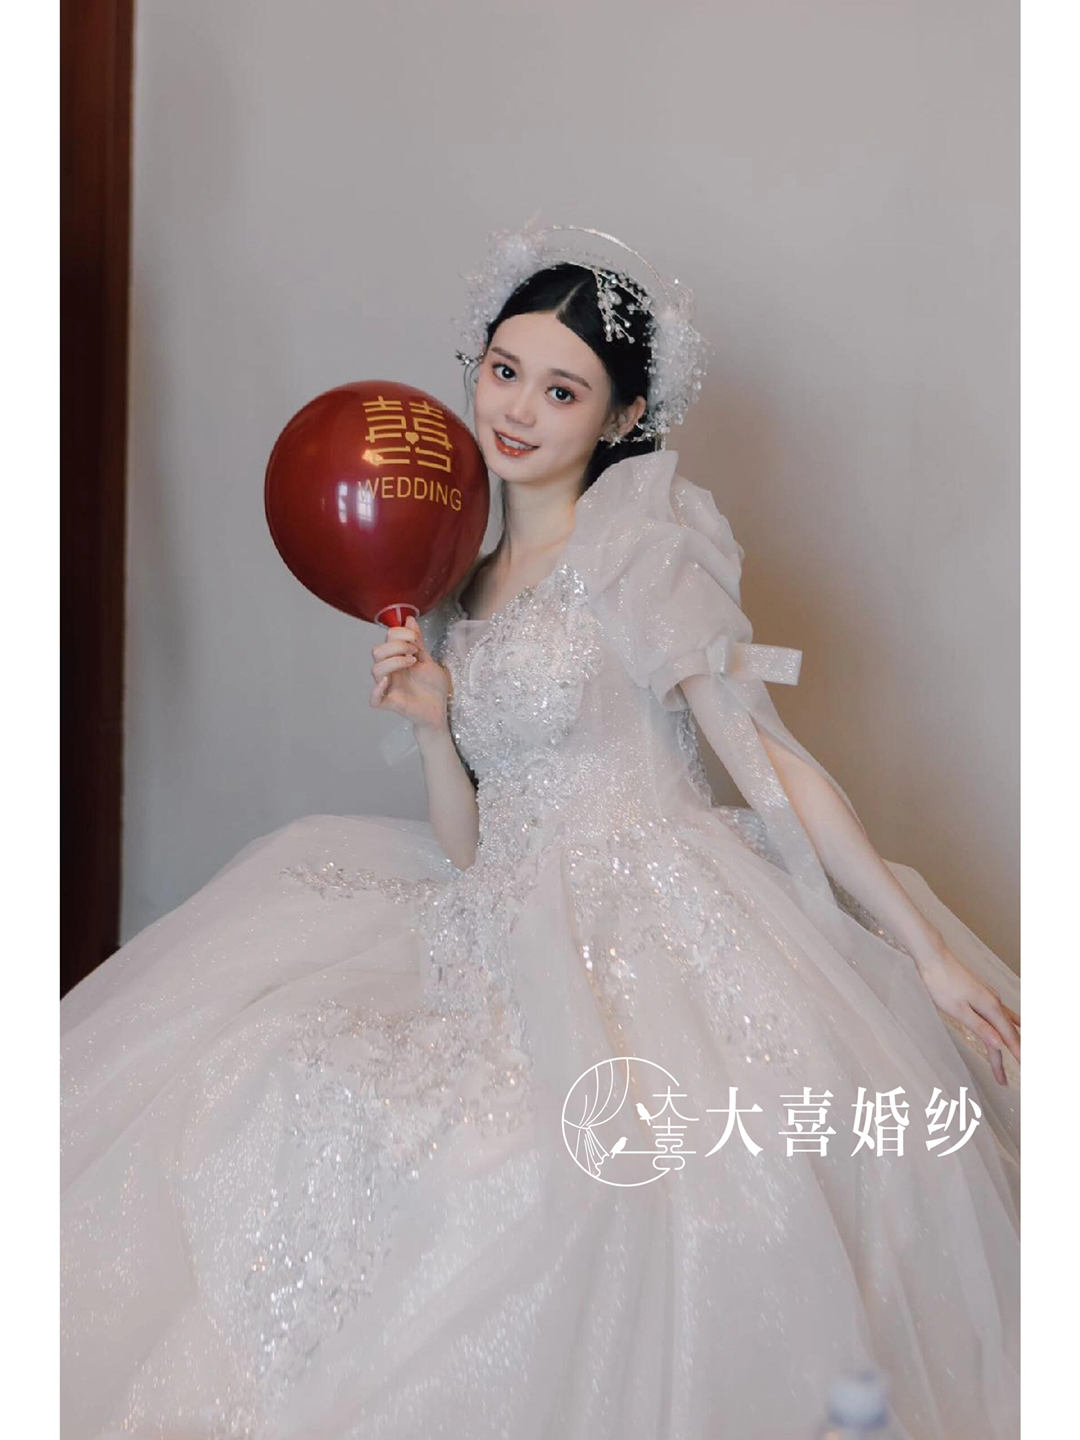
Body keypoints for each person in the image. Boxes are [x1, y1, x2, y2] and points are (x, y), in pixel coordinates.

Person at [61, 219, 1020, 1439]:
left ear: (623, 417)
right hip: (496, 926)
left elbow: (767, 755)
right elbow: (472, 846)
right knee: (289, 1083)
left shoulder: (643, 554)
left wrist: (921, 951)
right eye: (504, 370)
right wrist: (431, 725)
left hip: (652, 920)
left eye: (562, 390)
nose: (516, 409)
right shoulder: (459, 580)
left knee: (590, 1185)